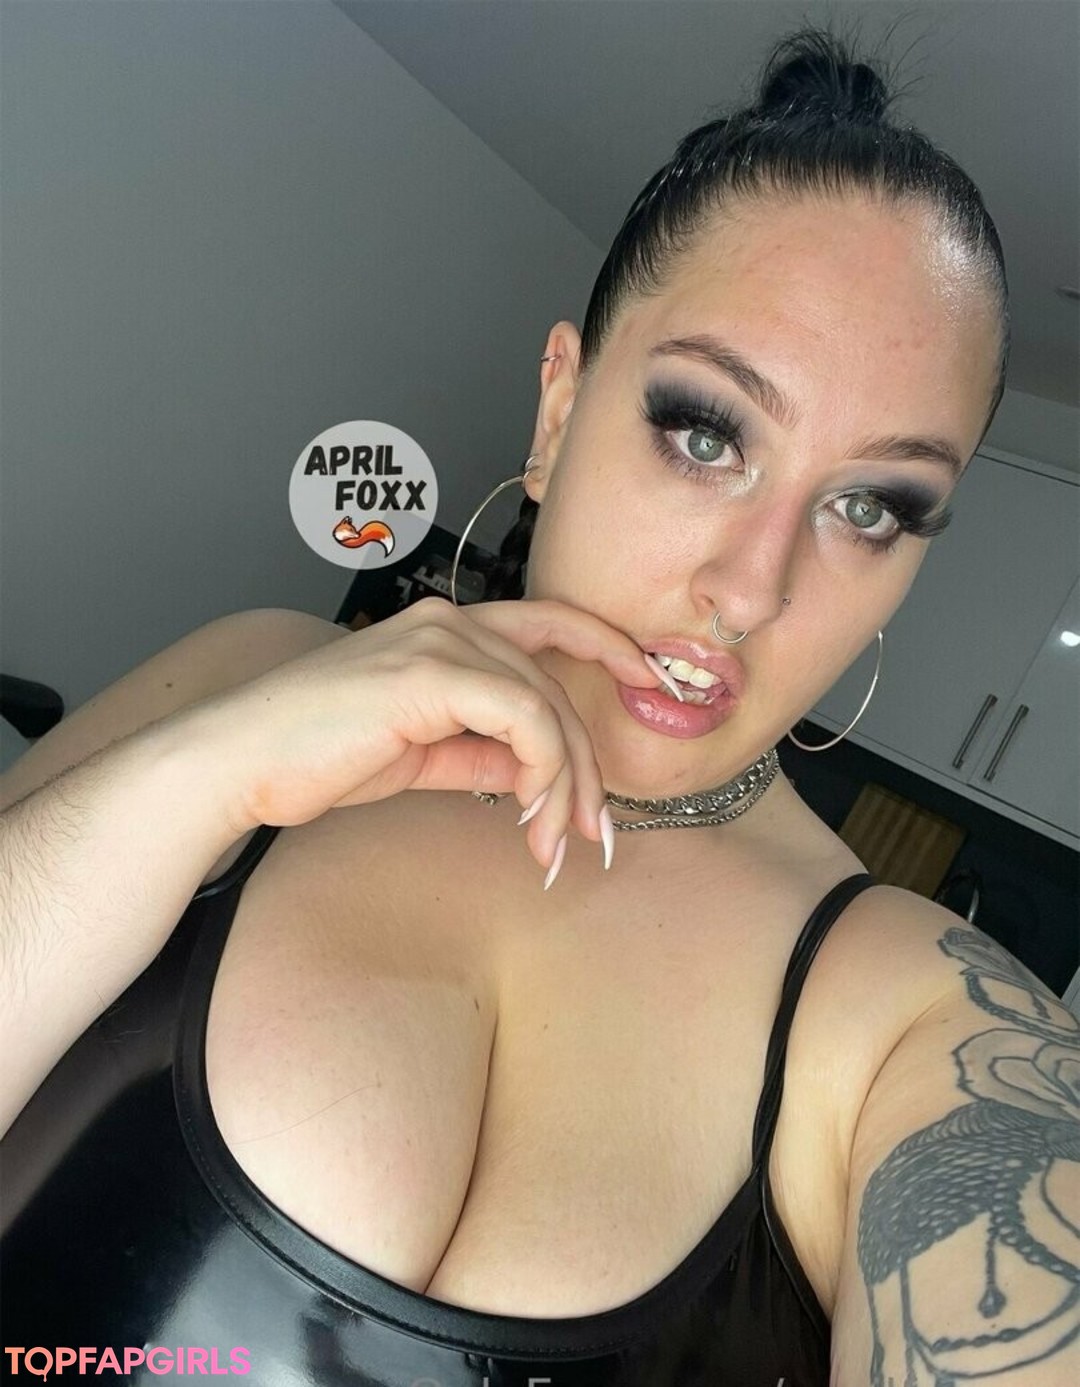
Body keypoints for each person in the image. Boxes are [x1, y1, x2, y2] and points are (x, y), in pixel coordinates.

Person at [1, 22, 1074, 1387]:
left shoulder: (914, 1020)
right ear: (559, 413)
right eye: (706, 433)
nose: (750, 590)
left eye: (870, 508)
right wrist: (195, 777)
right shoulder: (249, 677)